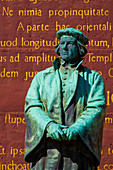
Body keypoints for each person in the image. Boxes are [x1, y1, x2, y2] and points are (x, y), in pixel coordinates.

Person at [24, 28, 106, 170]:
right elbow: (32, 106)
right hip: (47, 151)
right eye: (62, 43)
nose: (65, 47)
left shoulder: (93, 79)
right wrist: (49, 126)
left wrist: (77, 129)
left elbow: (96, 108)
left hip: (77, 152)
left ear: (80, 48)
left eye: (70, 44)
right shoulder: (42, 77)